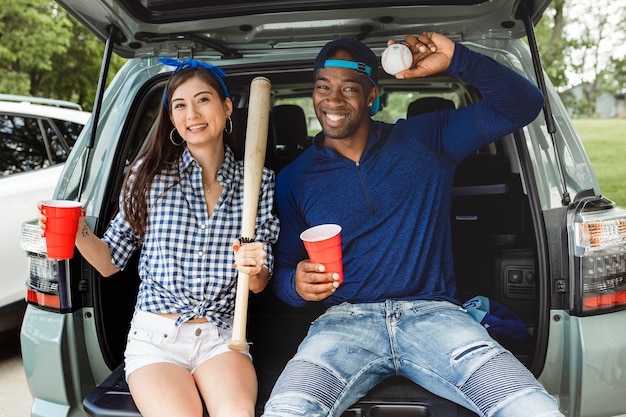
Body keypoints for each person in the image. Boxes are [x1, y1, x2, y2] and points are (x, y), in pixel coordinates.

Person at [263, 33, 564, 417]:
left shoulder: (427, 138)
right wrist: (296, 284)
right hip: (344, 325)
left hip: (436, 317)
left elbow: (524, 105)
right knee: (287, 410)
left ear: (372, 96)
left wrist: (459, 59)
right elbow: (283, 270)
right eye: (323, 87)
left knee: (532, 408)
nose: (332, 100)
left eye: (349, 88)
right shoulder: (295, 178)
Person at [39, 58, 280, 417]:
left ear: (226, 107)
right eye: (179, 105)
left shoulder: (257, 181)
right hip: (156, 342)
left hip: (222, 338)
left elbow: (259, 283)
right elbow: (108, 262)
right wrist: (75, 227)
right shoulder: (149, 176)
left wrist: (256, 266)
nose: (192, 114)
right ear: (172, 119)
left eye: (203, 100)